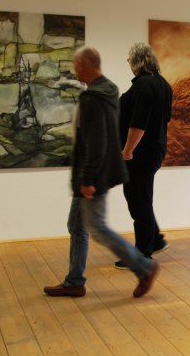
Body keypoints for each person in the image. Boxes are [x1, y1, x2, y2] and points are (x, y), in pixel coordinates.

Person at [44, 46, 159, 298]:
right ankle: (75, 280)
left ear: (84, 65)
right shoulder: (109, 90)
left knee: (96, 227)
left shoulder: (92, 99)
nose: (74, 71)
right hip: (99, 171)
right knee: (77, 224)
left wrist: (87, 179)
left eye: (76, 66)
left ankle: (144, 266)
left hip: (93, 175)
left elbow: (96, 142)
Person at [114, 43, 173, 270]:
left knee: (137, 199)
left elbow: (139, 124)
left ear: (138, 60)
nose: (128, 63)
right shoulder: (164, 85)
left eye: (129, 60)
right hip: (155, 149)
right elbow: (163, 120)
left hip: (139, 153)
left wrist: (127, 150)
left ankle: (142, 255)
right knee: (142, 196)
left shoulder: (143, 86)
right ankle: (154, 239)